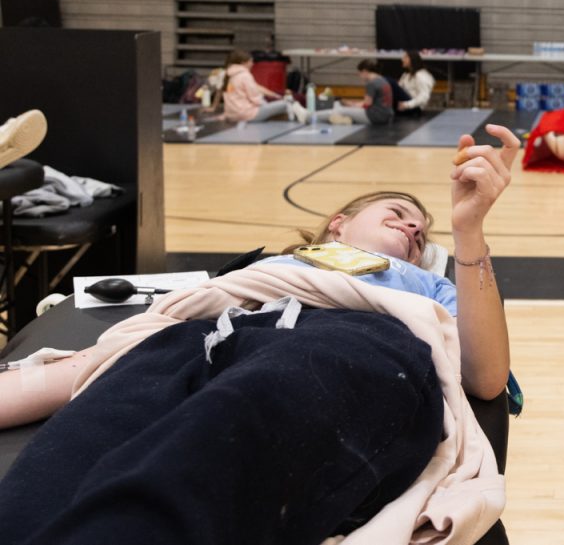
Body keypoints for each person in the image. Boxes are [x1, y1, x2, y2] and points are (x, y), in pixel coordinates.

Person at [0, 125, 522, 545]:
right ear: (339, 224)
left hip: (358, 339)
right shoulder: (266, 268)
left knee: (225, 426)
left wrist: (467, 232)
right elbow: (87, 366)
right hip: (216, 333)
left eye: (421, 234)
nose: (414, 231)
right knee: (69, 455)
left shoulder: (424, 286)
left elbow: (486, 377)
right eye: (399, 215)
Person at [294, 58, 395, 126]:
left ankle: (307, 116)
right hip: (386, 115)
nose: (359, 76)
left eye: (360, 74)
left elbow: (366, 105)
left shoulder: (372, 83)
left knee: (339, 110)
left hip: (374, 117)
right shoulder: (383, 80)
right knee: (340, 108)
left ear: (364, 71)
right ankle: (344, 120)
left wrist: (351, 105)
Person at [219, 49, 291, 123]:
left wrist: (274, 96)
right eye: (251, 61)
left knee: (273, 108)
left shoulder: (229, 75)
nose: (253, 64)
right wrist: (269, 105)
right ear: (244, 63)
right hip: (247, 114)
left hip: (232, 115)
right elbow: (255, 97)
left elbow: (256, 88)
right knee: (288, 103)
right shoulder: (245, 75)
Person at [395, 50, 436, 115]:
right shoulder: (405, 75)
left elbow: (424, 96)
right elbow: (398, 90)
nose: (402, 59)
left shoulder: (421, 75)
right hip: (405, 103)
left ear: (412, 59)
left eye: (405, 57)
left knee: (391, 83)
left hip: (415, 107)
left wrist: (407, 105)